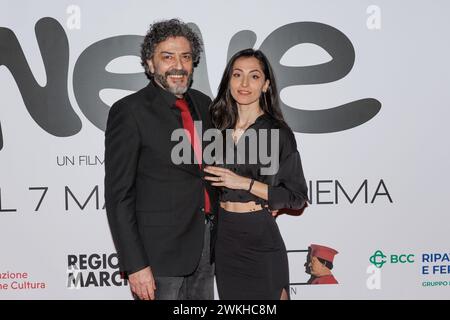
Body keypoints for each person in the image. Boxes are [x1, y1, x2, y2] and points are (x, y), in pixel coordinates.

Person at [104, 19, 218, 300]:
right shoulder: (129, 111)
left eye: (186, 57)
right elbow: (119, 195)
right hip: (158, 258)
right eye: (167, 57)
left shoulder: (206, 105)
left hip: (207, 249)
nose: (178, 65)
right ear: (150, 63)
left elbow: (215, 170)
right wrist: (136, 265)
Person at [204, 48, 308, 300]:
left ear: (266, 85)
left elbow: (296, 197)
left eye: (254, 76)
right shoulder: (216, 128)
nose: (244, 83)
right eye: (237, 75)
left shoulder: (278, 133)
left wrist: (246, 183)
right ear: (229, 81)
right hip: (225, 239)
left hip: (260, 238)